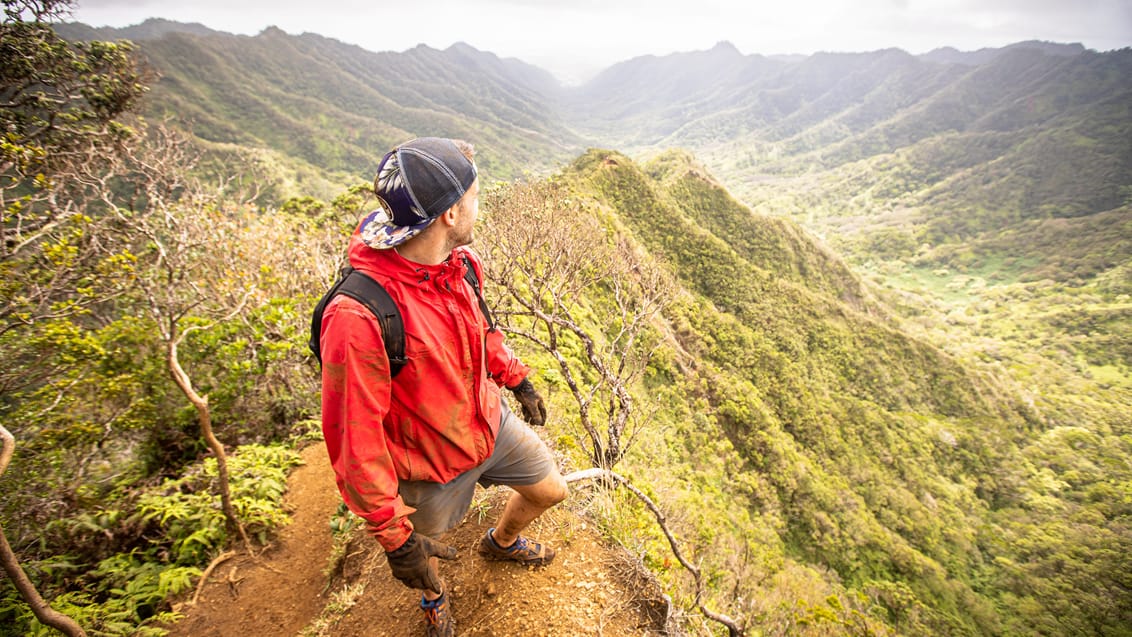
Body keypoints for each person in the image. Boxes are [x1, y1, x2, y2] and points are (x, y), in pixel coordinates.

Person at [318, 137, 568, 636]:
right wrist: (393, 536)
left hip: (487, 423)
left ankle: (500, 542)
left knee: (551, 490)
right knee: (423, 551)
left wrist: (516, 379)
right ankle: (434, 598)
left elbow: (481, 329)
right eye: (475, 198)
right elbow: (355, 440)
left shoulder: (460, 266)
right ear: (451, 213)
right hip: (424, 463)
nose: (480, 207)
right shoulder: (358, 316)